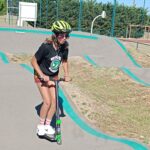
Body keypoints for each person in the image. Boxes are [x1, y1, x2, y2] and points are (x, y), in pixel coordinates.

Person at [31, 20, 72, 136]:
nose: (64, 37)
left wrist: (67, 74)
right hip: (40, 75)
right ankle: (40, 127)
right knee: (47, 102)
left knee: (55, 102)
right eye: (61, 35)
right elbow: (33, 61)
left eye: (66, 35)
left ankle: (47, 125)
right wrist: (41, 75)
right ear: (55, 34)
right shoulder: (46, 47)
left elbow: (64, 61)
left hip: (53, 76)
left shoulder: (65, 47)